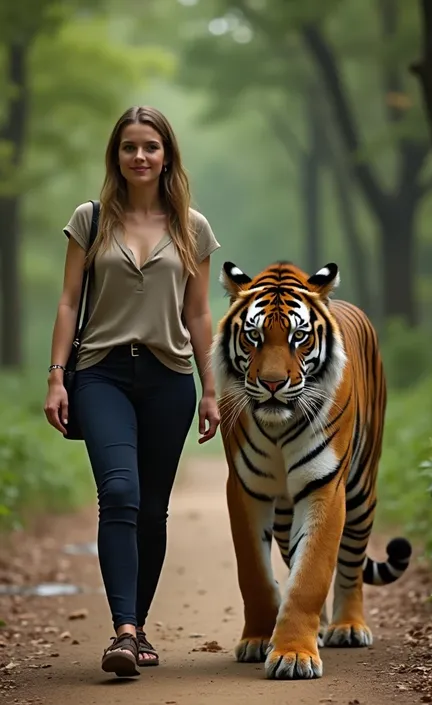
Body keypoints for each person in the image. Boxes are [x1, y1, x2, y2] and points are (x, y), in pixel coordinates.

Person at [43, 105, 221, 677]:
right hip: (101, 373)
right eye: (129, 147)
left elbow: (198, 314)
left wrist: (212, 389)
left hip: (170, 379)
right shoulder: (90, 219)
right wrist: (55, 376)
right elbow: (69, 300)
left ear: (167, 155)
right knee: (119, 492)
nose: (139, 156)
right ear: (115, 156)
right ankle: (123, 629)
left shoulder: (192, 227)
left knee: (152, 511)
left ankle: (136, 628)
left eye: (150, 146)